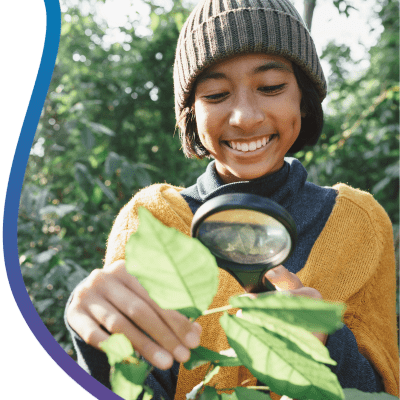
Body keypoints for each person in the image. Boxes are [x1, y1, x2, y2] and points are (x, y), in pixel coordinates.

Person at [65, 0, 399, 399]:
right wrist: (98, 341)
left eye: (271, 86)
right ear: (191, 113)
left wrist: (329, 345)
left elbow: (384, 388)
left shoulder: (359, 222)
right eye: (216, 93)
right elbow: (134, 384)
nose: (244, 116)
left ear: (304, 98)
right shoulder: (151, 220)